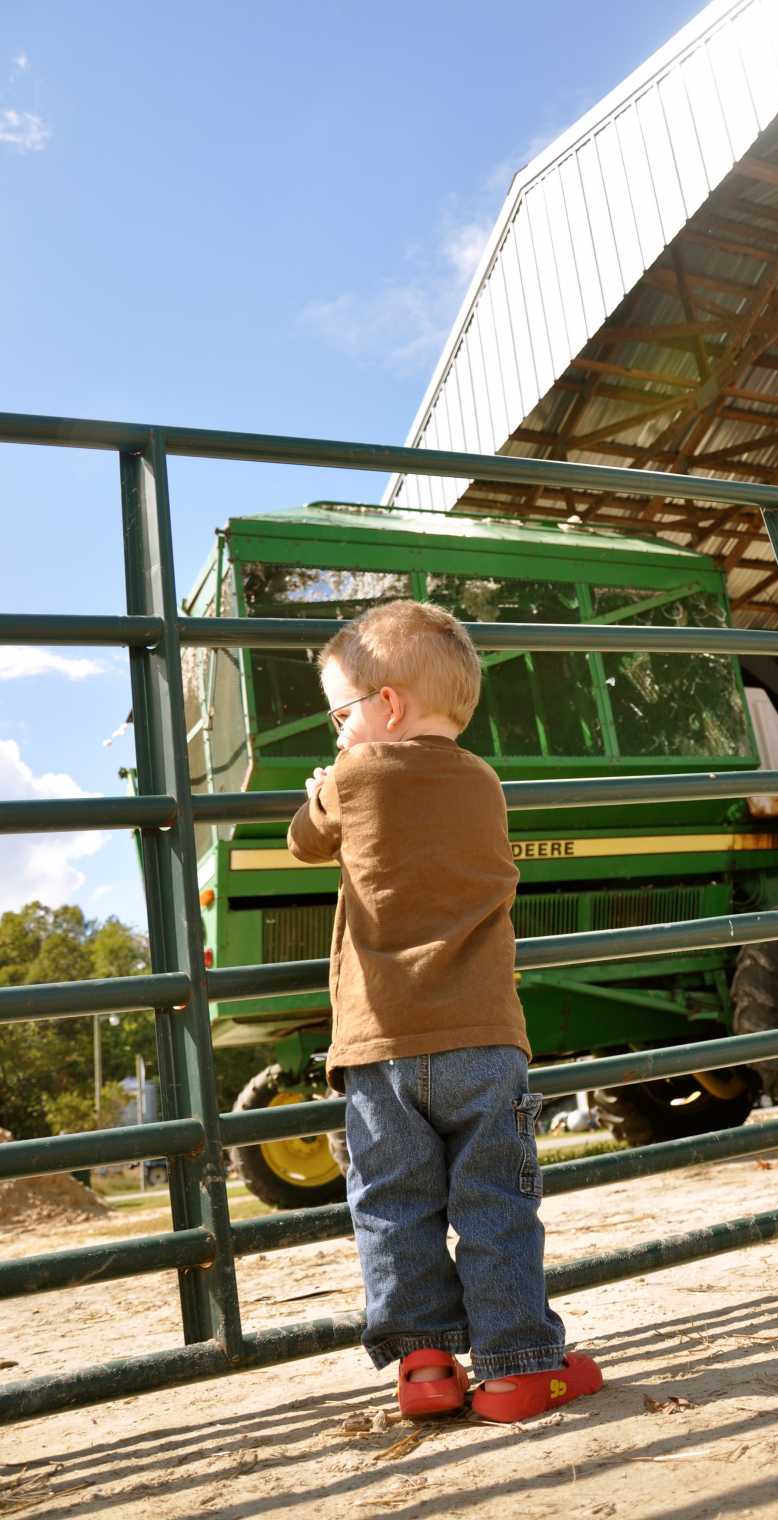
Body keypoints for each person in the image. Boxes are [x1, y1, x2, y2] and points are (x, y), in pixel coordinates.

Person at [286, 600, 602, 1423]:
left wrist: (322, 789)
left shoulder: (351, 778)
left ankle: (424, 1366)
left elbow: (303, 842)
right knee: (495, 1201)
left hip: (379, 1045)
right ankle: (517, 1368)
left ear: (385, 705)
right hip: (485, 1038)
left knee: (392, 1206)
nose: (337, 732)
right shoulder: (484, 781)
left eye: (340, 713)